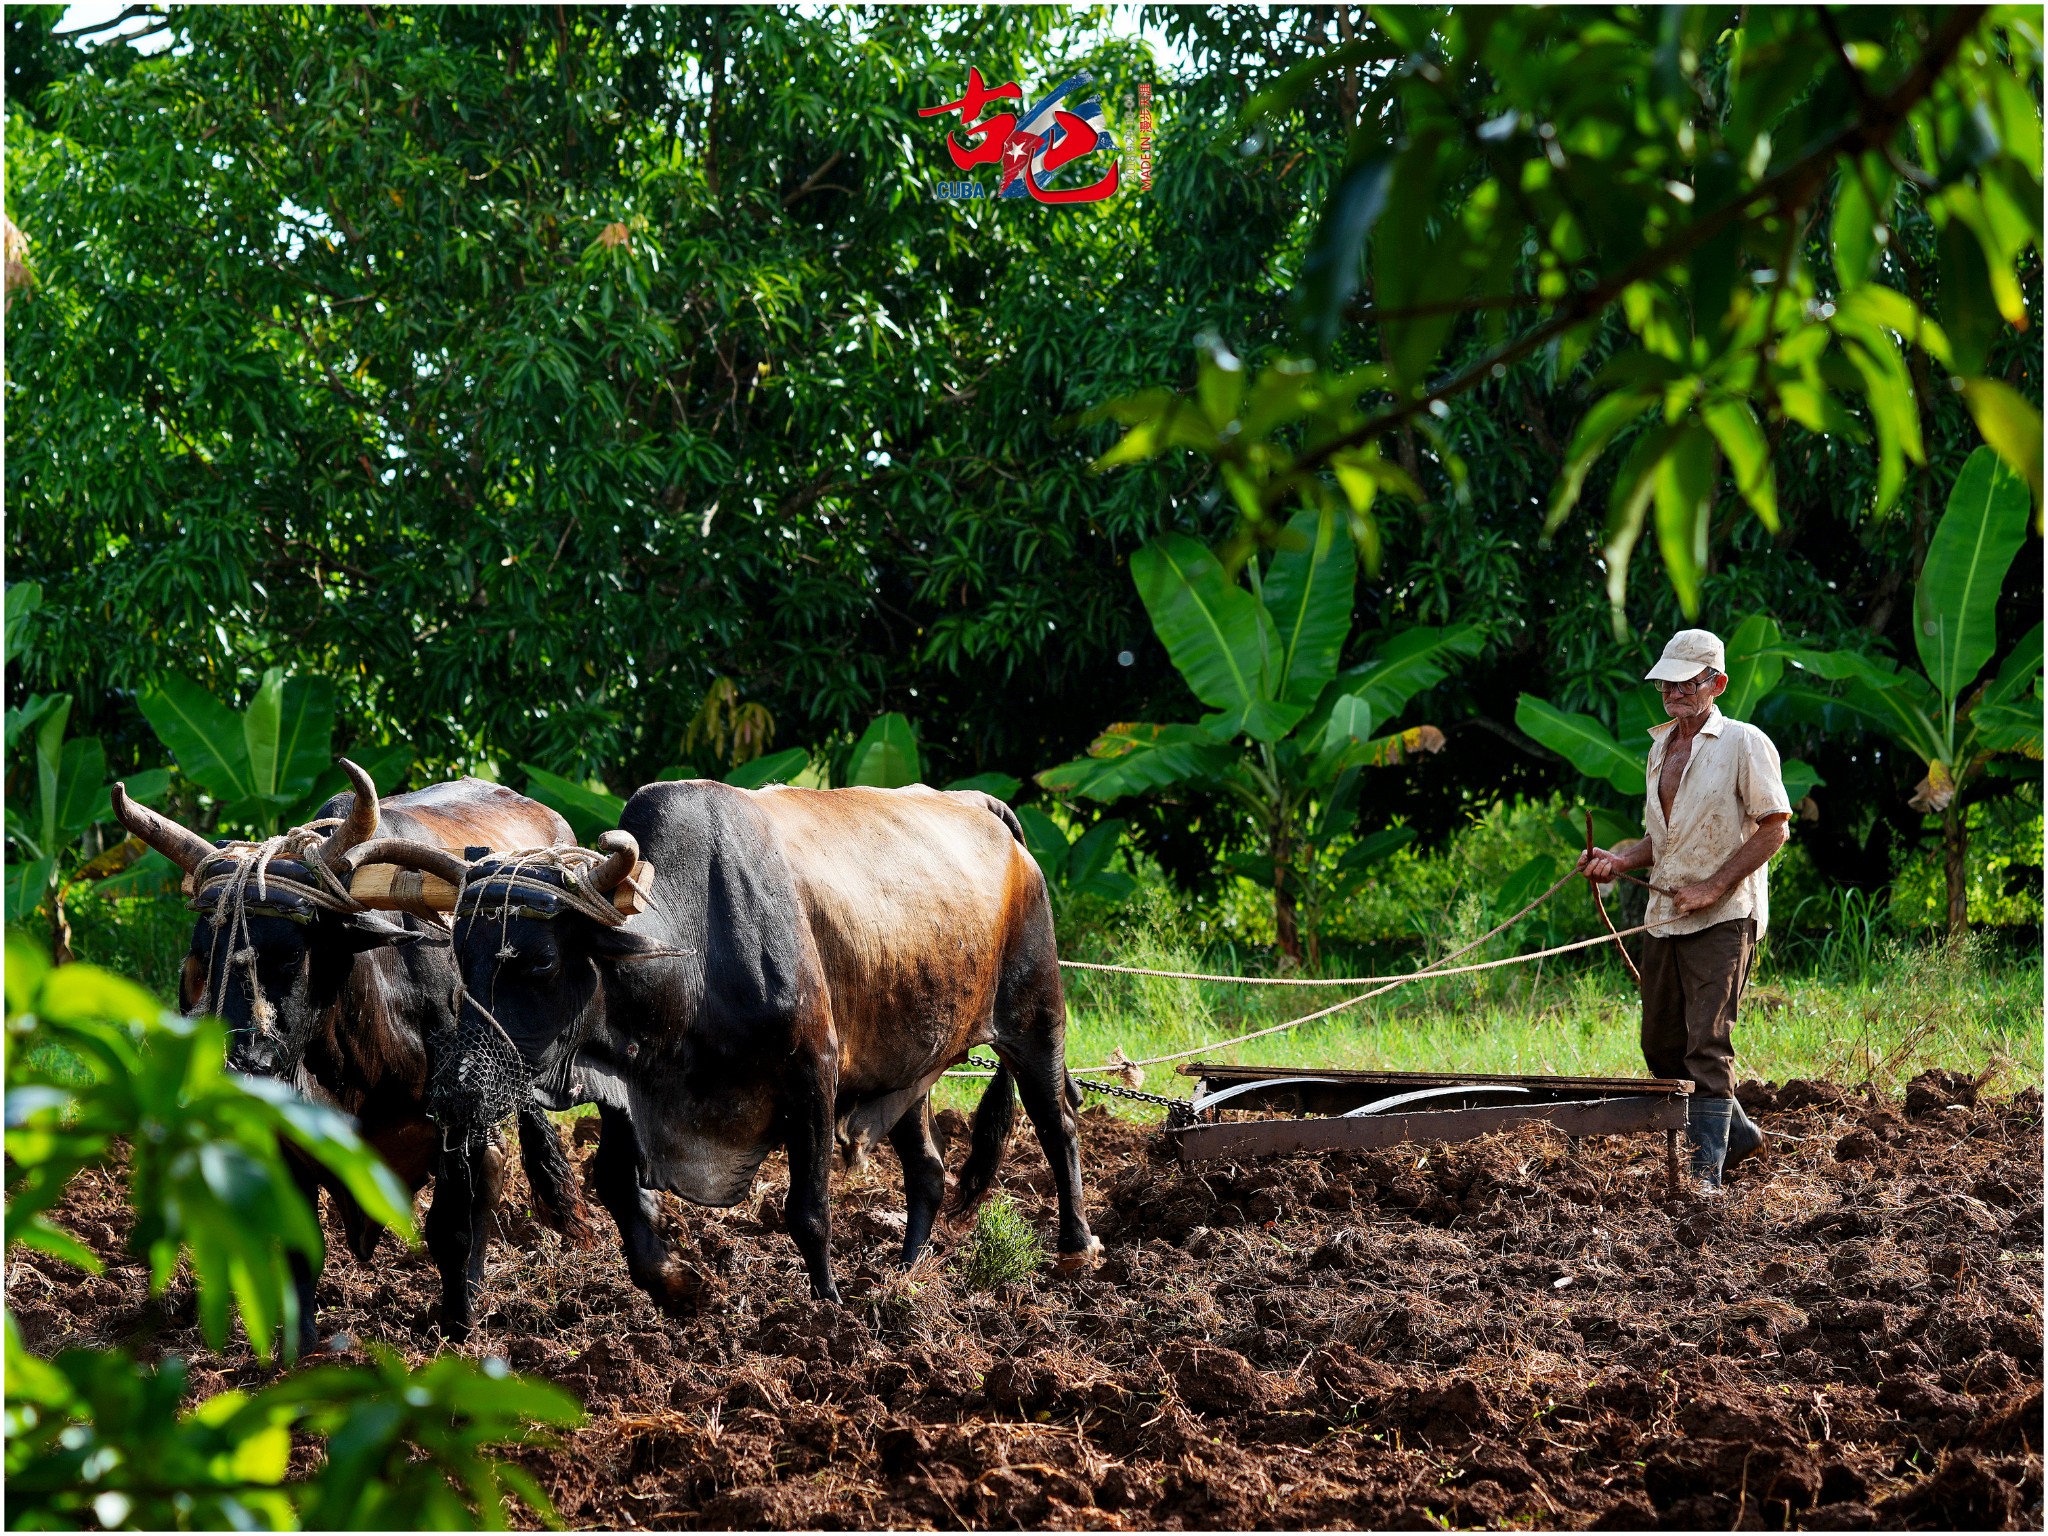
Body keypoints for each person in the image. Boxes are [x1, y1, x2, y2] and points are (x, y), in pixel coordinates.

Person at [1578, 628, 1793, 1193]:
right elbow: (1664, 840)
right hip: (1666, 913)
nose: (1672, 693)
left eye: (1684, 683)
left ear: (1716, 683)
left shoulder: (1744, 742)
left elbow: (1775, 827)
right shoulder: (1660, 747)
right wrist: (1621, 860)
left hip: (1724, 917)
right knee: (1661, 1046)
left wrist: (1715, 887)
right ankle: (1739, 1132)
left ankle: (1704, 1180)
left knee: (1707, 1045)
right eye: (1666, 684)